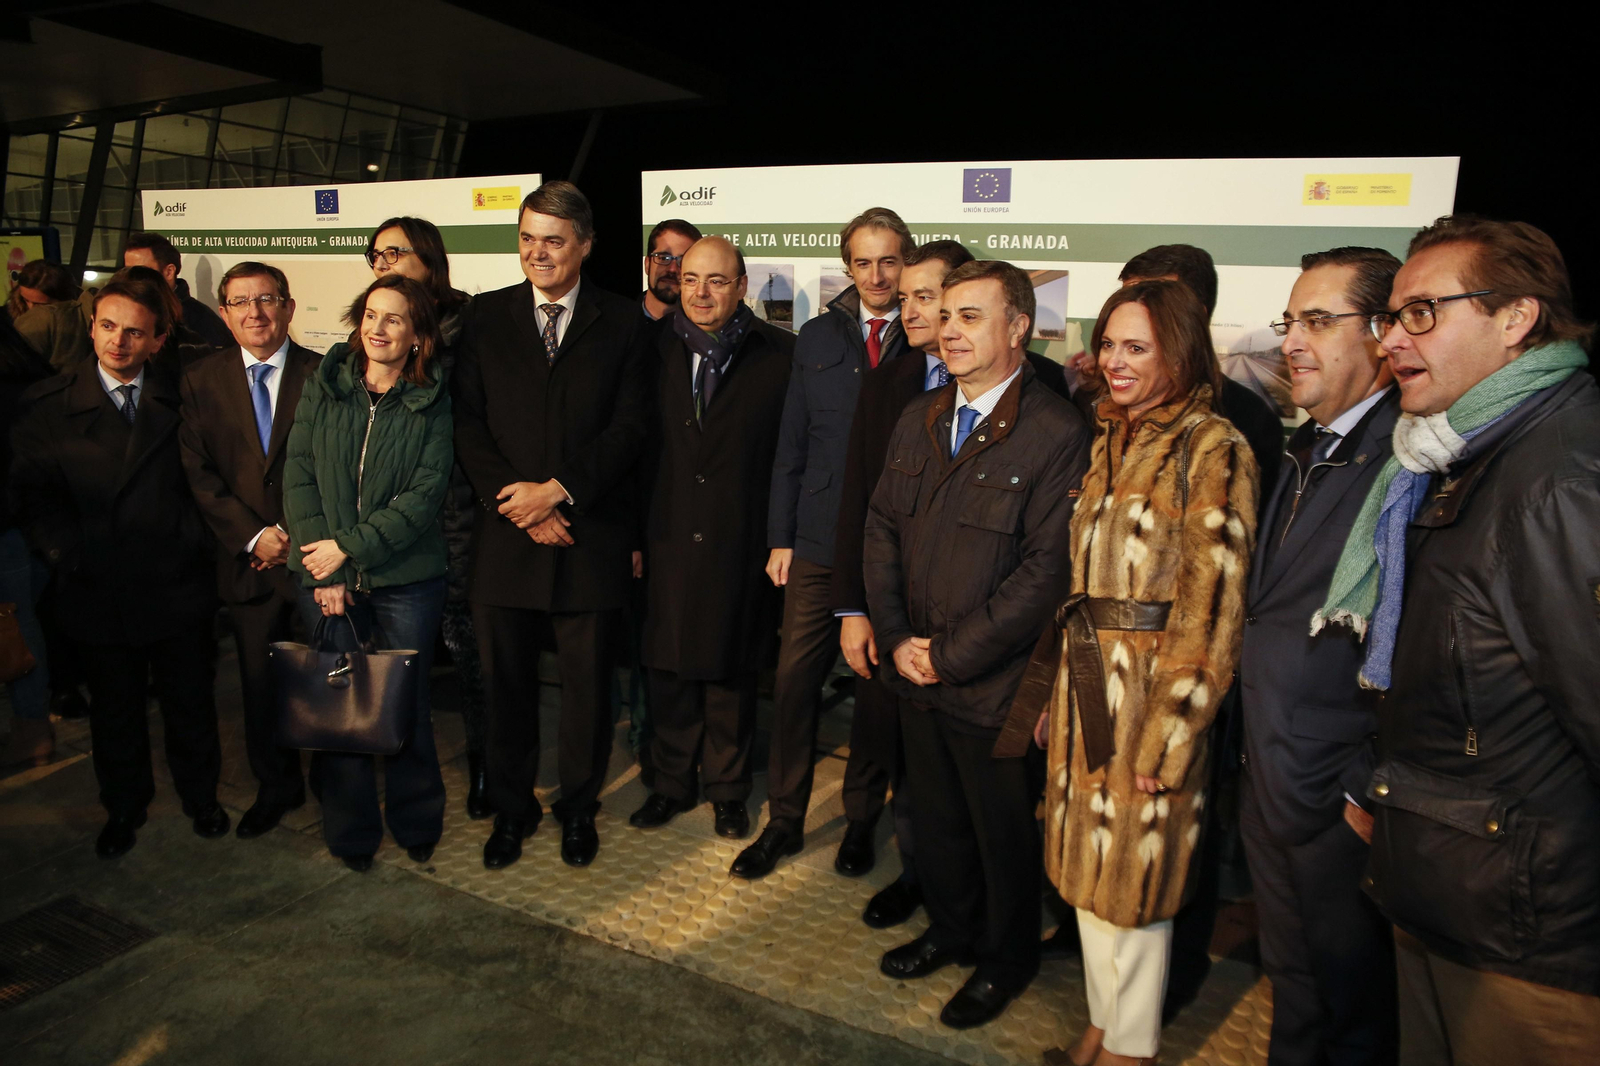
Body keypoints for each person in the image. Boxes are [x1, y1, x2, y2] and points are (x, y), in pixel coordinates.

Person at [1320, 216, 1600, 1063]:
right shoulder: (1451, 459)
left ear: (1517, 318)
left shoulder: (1559, 482)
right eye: (1392, 317)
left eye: (1422, 314)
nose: (1395, 340)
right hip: (1451, 896)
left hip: (1529, 942)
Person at [1033, 280, 1258, 1065]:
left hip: (1152, 701)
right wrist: (1051, 695)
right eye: (1111, 345)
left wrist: (1172, 732)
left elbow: (1215, 604)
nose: (1116, 363)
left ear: (1181, 352)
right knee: (1092, 878)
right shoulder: (1110, 436)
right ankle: (1101, 1022)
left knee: (1138, 883)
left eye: (1139, 348)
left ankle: (1131, 1047)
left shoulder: (1213, 444)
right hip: (1087, 686)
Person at [864, 259, 1091, 1030]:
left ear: (1018, 328)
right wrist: (896, 638)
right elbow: (882, 528)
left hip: (991, 685)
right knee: (936, 820)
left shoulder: (1057, 433)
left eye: (971, 317)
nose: (950, 331)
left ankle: (1005, 959)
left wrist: (949, 654)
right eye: (945, 315)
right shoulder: (920, 417)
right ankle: (952, 932)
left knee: (999, 834)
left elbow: (1044, 573)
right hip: (913, 672)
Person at [453, 182, 654, 870]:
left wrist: (559, 493)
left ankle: (577, 809)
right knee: (504, 691)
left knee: (588, 695)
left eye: (554, 240)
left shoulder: (625, 322)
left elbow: (630, 428)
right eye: (528, 238)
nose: (538, 253)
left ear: (586, 246)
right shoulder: (483, 317)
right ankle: (512, 810)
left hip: (587, 536)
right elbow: (467, 423)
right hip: (506, 538)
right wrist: (519, 503)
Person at [1241, 248, 1402, 1065]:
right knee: (1293, 984)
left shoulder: (1408, 462)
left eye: (1318, 321)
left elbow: (1420, 648)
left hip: (1340, 800)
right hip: (1271, 777)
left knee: (1357, 1009)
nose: (1294, 341)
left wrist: (1362, 783)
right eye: (1290, 322)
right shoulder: (1304, 448)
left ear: (1381, 336)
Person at [1117, 242, 1282, 1014]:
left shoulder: (1232, 429)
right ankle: (1114, 1002)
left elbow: (1217, 590)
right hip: (1104, 681)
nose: (1126, 341)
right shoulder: (1112, 424)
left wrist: (1179, 712)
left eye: (1152, 313)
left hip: (1186, 683)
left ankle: (1162, 996)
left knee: (1176, 840)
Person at [10, 274, 228, 857]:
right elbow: (33, 498)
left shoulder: (186, 397)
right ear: (91, 327)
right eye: (108, 326)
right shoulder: (49, 406)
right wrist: (71, 556)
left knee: (190, 704)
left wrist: (190, 548)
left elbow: (208, 483)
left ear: (158, 340)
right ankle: (123, 808)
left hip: (176, 584)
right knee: (116, 713)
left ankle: (200, 798)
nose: (118, 342)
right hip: (96, 587)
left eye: (134, 332)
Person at [736, 206, 913, 881]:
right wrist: (780, 536)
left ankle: (862, 820)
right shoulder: (815, 335)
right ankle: (783, 819)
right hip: (814, 544)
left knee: (875, 691)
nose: (875, 274)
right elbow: (792, 447)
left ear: (905, 261)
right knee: (792, 682)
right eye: (863, 261)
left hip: (890, 550)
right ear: (847, 266)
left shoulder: (928, 340)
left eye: (888, 260)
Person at [282, 274, 454, 872]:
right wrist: (322, 567)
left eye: (395, 319)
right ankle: (351, 831)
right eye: (371, 316)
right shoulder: (324, 383)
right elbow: (298, 475)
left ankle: (415, 821)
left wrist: (347, 551)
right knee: (340, 704)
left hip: (407, 575)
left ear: (417, 334)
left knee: (406, 704)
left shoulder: (433, 396)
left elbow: (425, 494)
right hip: (325, 576)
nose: (378, 329)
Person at [631, 236, 794, 838]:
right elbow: (633, 448)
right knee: (667, 669)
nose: (700, 292)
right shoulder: (648, 351)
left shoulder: (779, 355)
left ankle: (728, 789)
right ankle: (670, 784)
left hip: (741, 540)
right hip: (666, 534)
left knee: (732, 670)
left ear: (742, 286)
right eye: (691, 278)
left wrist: (782, 537)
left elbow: (790, 456)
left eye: (717, 281)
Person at [178, 262, 318, 839]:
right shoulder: (199, 379)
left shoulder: (326, 373)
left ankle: (338, 786)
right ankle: (277, 787)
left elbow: (339, 465)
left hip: (316, 561)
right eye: (241, 302)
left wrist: (294, 531)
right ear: (224, 312)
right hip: (247, 563)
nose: (255, 313)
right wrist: (256, 535)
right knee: (259, 690)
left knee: (330, 683)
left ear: (287, 306)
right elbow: (198, 470)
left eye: (266, 300)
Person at [364, 216, 492, 821]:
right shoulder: (365, 336)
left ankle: (485, 765)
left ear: (430, 260)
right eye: (377, 253)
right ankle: (387, 771)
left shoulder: (473, 328)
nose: (385, 262)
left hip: (461, 514)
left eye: (398, 251)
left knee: (472, 655)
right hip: (389, 525)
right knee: (394, 660)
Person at [0, 314, 54, 769]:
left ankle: (33, 730)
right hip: (20, 523)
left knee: (14, 625)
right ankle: (33, 727)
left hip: (9, 523)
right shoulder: (26, 370)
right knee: (19, 622)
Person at [124, 231, 232, 351]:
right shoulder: (119, 311)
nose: (131, 279)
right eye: (127, 271)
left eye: (141, 272)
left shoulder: (203, 321)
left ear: (169, 272)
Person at [641, 218, 702, 321]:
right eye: (663, 258)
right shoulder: (617, 321)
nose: (672, 269)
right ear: (647, 264)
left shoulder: (705, 332)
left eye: (682, 261)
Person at [6, 259, 78, 321]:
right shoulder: (5, 322)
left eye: (39, 304)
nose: (30, 307)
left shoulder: (80, 327)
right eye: (25, 300)